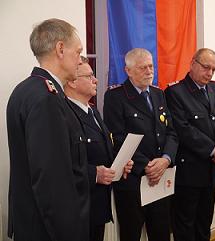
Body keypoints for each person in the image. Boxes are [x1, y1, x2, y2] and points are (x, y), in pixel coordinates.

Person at [6, 19, 90, 241]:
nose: (81, 60)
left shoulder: (26, 90)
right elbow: (52, 182)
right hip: (49, 231)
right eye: (79, 52)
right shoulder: (47, 99)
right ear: (60, 49)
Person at [103, 48, 178, 241]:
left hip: (160, 176)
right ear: (128, 71)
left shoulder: (158, 94)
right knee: (131, 234)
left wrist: (165, 160)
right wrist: (147, 165)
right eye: (143, 67)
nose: (149, 71)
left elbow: (171, 131)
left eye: (151, 66)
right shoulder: (115, 97)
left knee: (161, 233)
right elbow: (117, 139)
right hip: (132, 180)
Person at [165, 48, 215, 241]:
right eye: (206, 67)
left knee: (205, 224)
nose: (210, 73)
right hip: (189, 173)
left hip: (212, 170)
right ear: (192, 64)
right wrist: (213, 149)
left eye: (214, 69)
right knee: (185, 226)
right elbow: (183, 129)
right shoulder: (175, 92)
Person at [64, 56, 133, 241]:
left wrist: (119, 165)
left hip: (98, 204)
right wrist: (94, 173)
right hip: (79, 206)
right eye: (89, 76)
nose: (95, 80)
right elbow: (61, 162)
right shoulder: (65, 114)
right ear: (72, 82)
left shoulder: (92, 110)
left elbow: (103, 148)